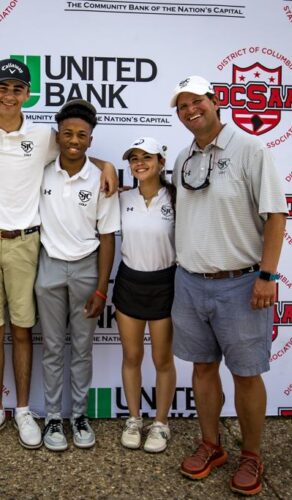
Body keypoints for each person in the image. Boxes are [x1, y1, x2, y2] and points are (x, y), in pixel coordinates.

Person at [0, 59, 118, 449]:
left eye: (17, 89)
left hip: (28, 243)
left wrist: (107, 164)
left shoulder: (43, 136)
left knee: (24, 332)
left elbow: (74, 149)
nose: (10, 95)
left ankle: (26, 411)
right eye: (3, 88)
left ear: (27, 94)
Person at [169, 75, 287, 495]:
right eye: (182, 106)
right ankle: (211, 445)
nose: (190, 110)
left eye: (196, 101)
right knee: (202, 368)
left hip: (241, 284)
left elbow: (276, 215)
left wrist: (268, 276)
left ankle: (252, 455)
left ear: (216, 101)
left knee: (246, 374)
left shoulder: (250, 149)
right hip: (190, 281)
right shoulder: (183, 156)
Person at [35, 99, 120, 451]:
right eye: (67, 133)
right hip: (49, 266)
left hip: (87, 269)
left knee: (82, 349)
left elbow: (107, 236)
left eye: (81, 135)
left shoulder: (102, 179)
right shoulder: (40, 170)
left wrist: (102, 289)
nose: (74, 140)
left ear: (90, 138)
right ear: (58, 136)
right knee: (53, 348)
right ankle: (54, 417)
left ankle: (79, 416)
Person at [113, 137, 177, 453]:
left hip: (165, 284)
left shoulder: (178, 198)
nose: (139, 163)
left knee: (162, 359)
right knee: (132, 356)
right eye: (134, 158)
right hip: (129, 282)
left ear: (161, 162)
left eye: (147, 157)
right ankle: (135, 419)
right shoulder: (123, 200)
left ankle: (161, 424)